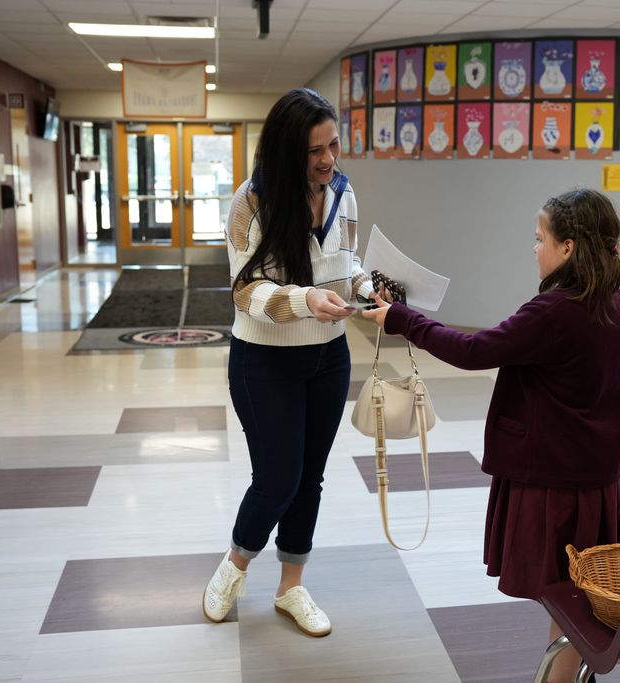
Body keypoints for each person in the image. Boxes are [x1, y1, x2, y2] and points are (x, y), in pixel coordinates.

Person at [363, 188, 620, 682]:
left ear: (568, 247)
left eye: (540, 238)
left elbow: (473, 351)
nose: (534, 248)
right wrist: (606, 374)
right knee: (580, 591)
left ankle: (561, 676)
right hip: (601, 479)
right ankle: (567, 672)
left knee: (564, 593)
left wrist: (403, 319)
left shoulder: (553, 312)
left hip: (553, 481)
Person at [202, 88, 375, 638]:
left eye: (333, 145)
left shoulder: (342, 192)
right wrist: (305, 300)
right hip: (264, 360)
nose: (329, 160)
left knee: (310, 479)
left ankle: (290, 587)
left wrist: (368, 288)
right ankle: (235, 565)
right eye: (314, 150)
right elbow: (244, 290)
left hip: (330, 358)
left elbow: (347, 263)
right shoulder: (249, 203)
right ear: (284, 151)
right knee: (278, 478)